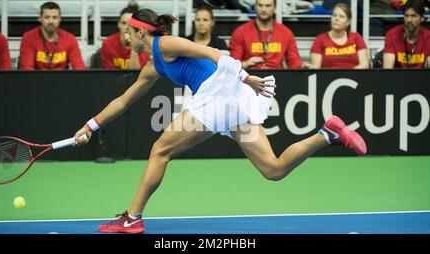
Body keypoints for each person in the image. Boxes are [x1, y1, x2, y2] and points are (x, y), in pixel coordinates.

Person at [73, 8, 367, 234]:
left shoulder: (165, 44)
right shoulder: (153, 66)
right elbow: (123, 100)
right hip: (232, 102)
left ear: (139, 31)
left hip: (220, 94)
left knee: (160, 151)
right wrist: (90, 126)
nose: (125, 36)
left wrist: (245, 76)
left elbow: (213, 52)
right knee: (273, 169)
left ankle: (132, 219)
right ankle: (327, 134)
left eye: (128, 30)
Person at [229, 0, 309, 69]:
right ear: (255, 7)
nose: (264, 9)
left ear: (274, 8)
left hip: (278, 78)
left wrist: (303, 67)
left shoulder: (286, 32)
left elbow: (293, 62)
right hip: (250, 77)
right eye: (260, 5)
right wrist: (246, 63)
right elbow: (232, 65)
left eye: (268, 6)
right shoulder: (240, 32)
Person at [19, 2, 86, 70]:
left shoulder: (70, 39)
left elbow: (80, 68)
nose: (51, 21)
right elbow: (26, 70)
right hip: (36, 79)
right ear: (40, 18)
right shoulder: (29, 37)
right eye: (47, 17)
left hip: (62, 79)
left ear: (60, 19)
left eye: (55, 17)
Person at [309, 3, 369, 69]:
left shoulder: (356, 38)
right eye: (334, 15)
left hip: (352, 77)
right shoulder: (320, 40)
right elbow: (315, 69)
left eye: (341, 16)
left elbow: (364, 65)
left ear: (348, 22)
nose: (336, 19)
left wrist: (349, 75)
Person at [100, 4, 150, 69]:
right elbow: (109, 75)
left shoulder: (144, 44)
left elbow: (136, 74)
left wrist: (133, 46)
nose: (127, 28)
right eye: (124, 23)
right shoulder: (108, 44)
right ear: (119, 24)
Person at [383, 0, 430, 68]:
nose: (409, 20)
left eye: (413, 16)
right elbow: (387, 71)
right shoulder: (392, 35)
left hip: (420, 78)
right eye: (406, 16)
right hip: (397, 77)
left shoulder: (428, 36)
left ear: (422, 18)